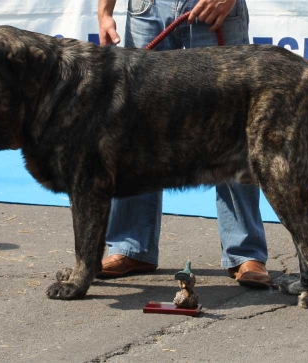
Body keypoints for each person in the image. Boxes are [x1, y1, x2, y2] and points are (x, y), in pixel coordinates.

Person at [97, 0, 271, 288]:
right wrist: (104, 12)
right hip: (147, 8)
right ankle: (130, 247)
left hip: (215, 7)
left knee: (232, 125)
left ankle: (245, 253)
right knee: (136, 130)